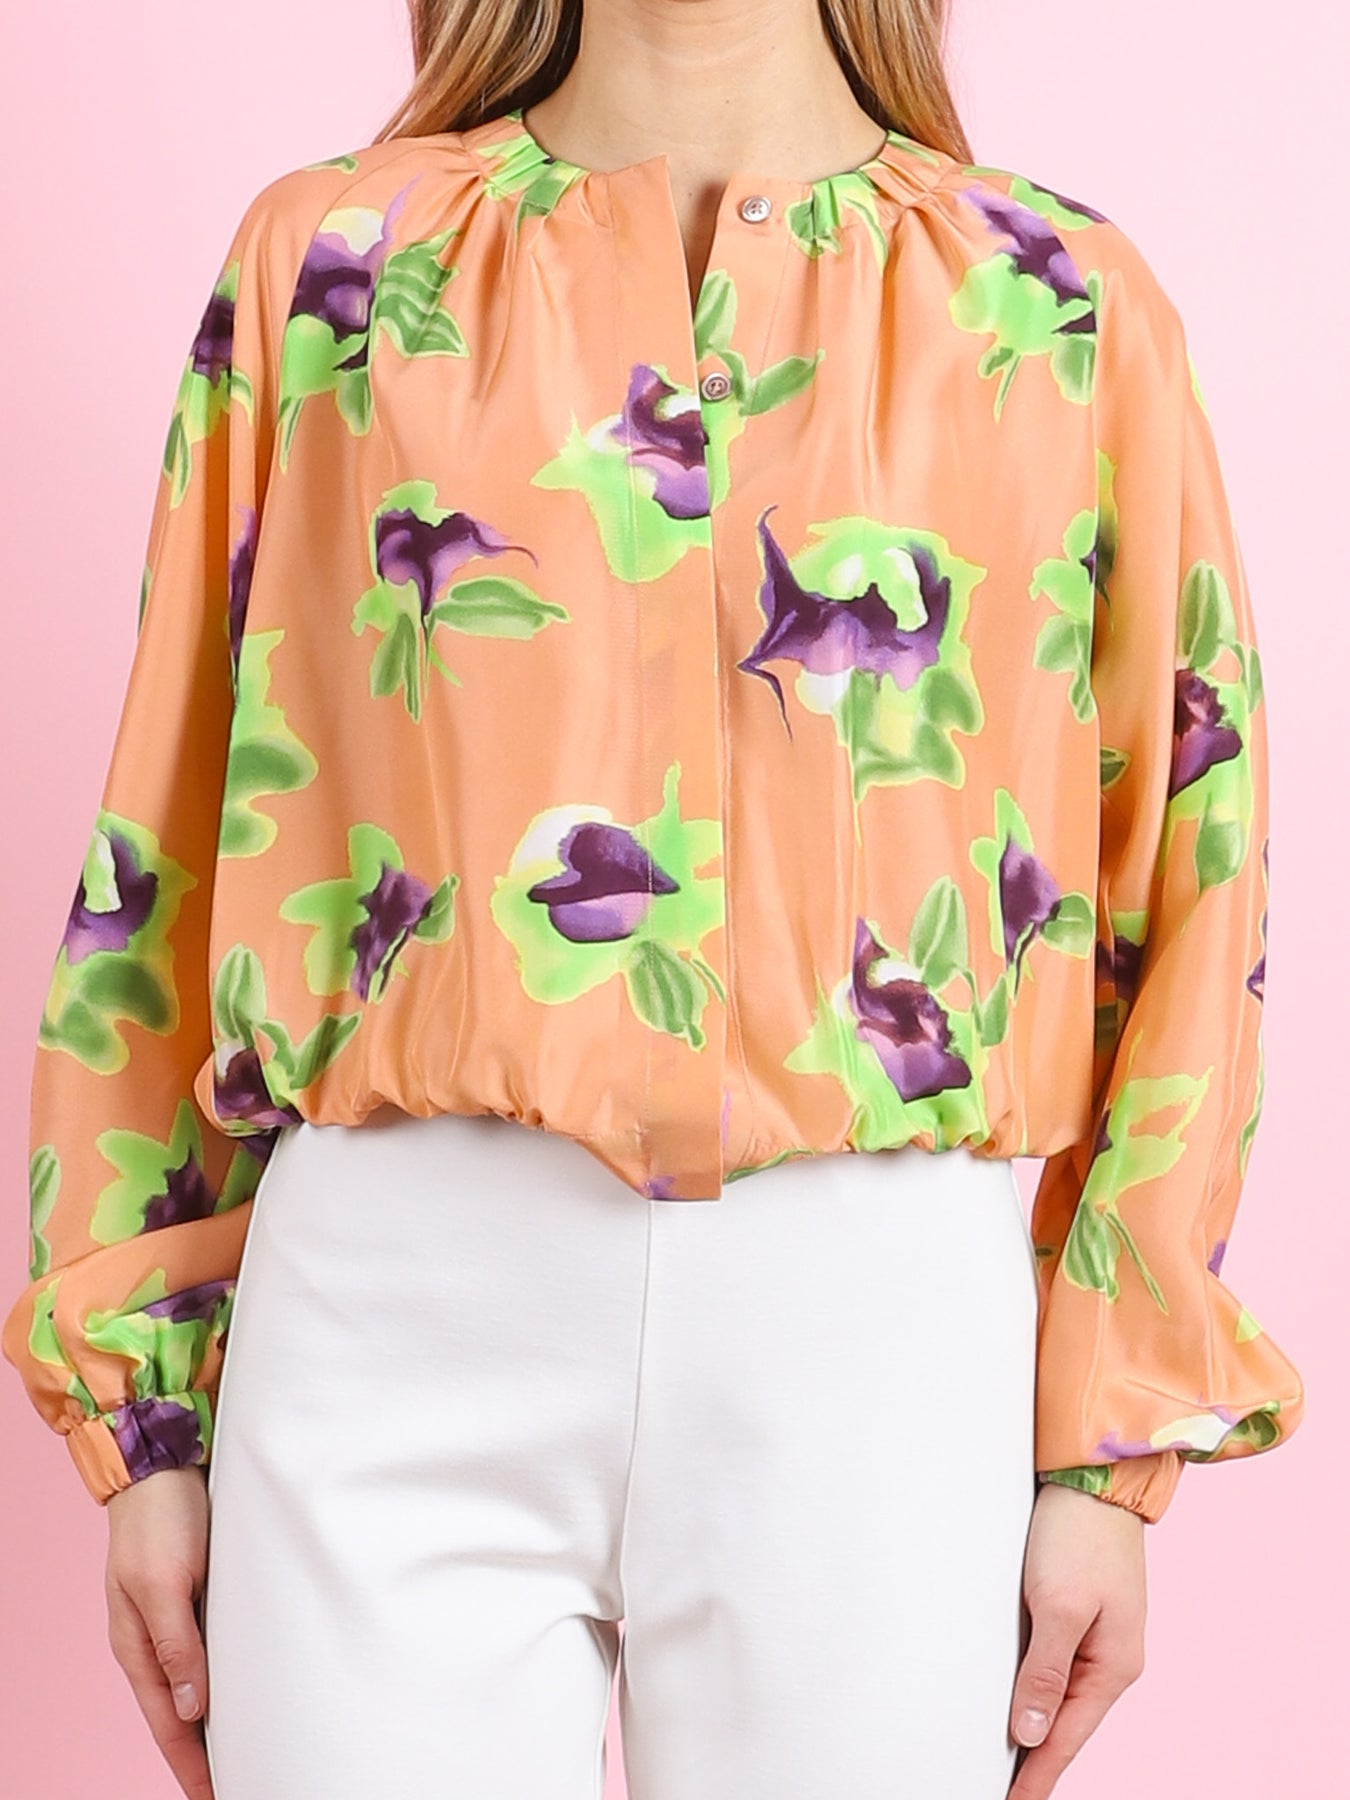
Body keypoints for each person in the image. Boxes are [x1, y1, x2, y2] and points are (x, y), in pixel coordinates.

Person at [2, 1, 1305, 1796]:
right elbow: (172, 825)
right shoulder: (332, 260)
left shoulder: (1060, 298)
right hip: (386, 1319)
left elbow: (1190, 864)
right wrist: (144, 1417)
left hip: (873, 1347)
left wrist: (1104, 1456)